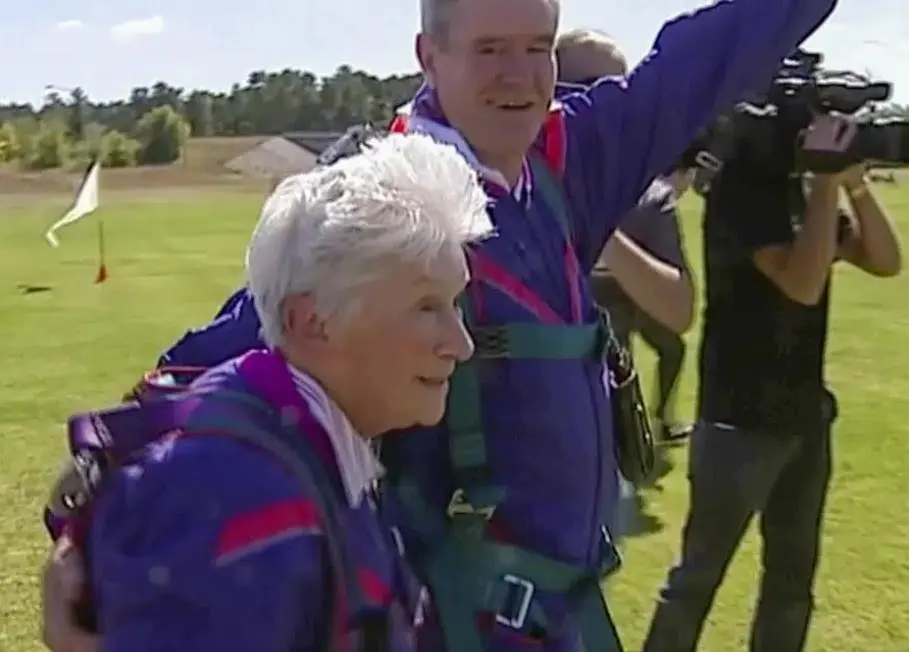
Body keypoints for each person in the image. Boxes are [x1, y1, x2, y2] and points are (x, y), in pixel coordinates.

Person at [45, 0, 843, 649]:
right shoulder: (378, 204)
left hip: (570, 618)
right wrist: (79, 536)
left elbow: (714, 51)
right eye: (490, 49)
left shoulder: (566, 162)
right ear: (429, 57)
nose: (521, 76)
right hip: (458, 624)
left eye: (538, 46)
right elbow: (193, 383)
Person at [40, 132, 491, 652]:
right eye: (425, 307)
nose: (461, 345)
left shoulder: (301, 444)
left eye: (453, 304)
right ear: (310, 322)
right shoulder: (238, 496)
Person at [641, 120, 902, 652]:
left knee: (791, 583)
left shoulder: (804, 191)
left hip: (805, 416)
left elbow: (885, 260)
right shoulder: (742, 194)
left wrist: (851, 181)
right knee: (696, 581)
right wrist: (827, 186)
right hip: (738, 419)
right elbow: (802, 285)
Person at [556, 28, 697, 443]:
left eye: (618, 93)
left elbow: (678, 310)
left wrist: (603, 232)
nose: (603, 108)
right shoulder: (501, 179)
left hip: (602, 416)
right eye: (586, 90)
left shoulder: (646, 196)